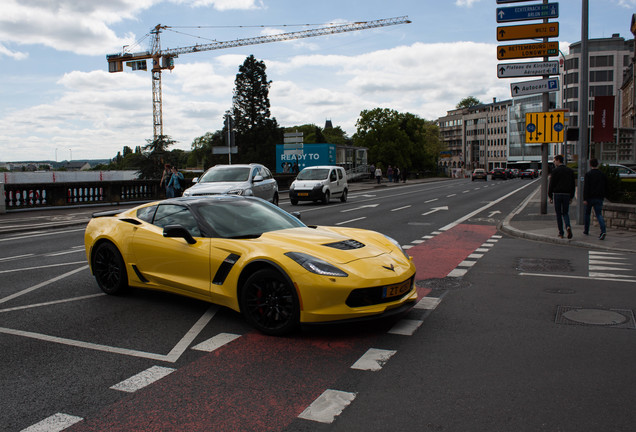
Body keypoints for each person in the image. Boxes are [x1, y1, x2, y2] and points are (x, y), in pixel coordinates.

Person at [548, 154, 576, 239]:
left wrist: (550, 196)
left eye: (555, 160)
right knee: (565, 213)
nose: (554, 162)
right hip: (567, 194)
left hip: (557, 194)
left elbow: (551, 184)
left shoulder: (555, 171)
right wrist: (572, 196)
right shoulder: (570, 171)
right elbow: (572, 185)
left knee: (558, 214)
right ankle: (568, 226)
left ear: (558, 160)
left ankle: (561, 232)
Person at [583, 158, 608, 240]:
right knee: (599, 214)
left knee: (587, 214)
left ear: (590, 165)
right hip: (599, 197)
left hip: (590, 197)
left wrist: (585, 198)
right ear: (597, 164)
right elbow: (605, 186)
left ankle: (586, 230)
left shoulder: (588, 174)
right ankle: (603, 230)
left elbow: (586, 187)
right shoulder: (602, 174)